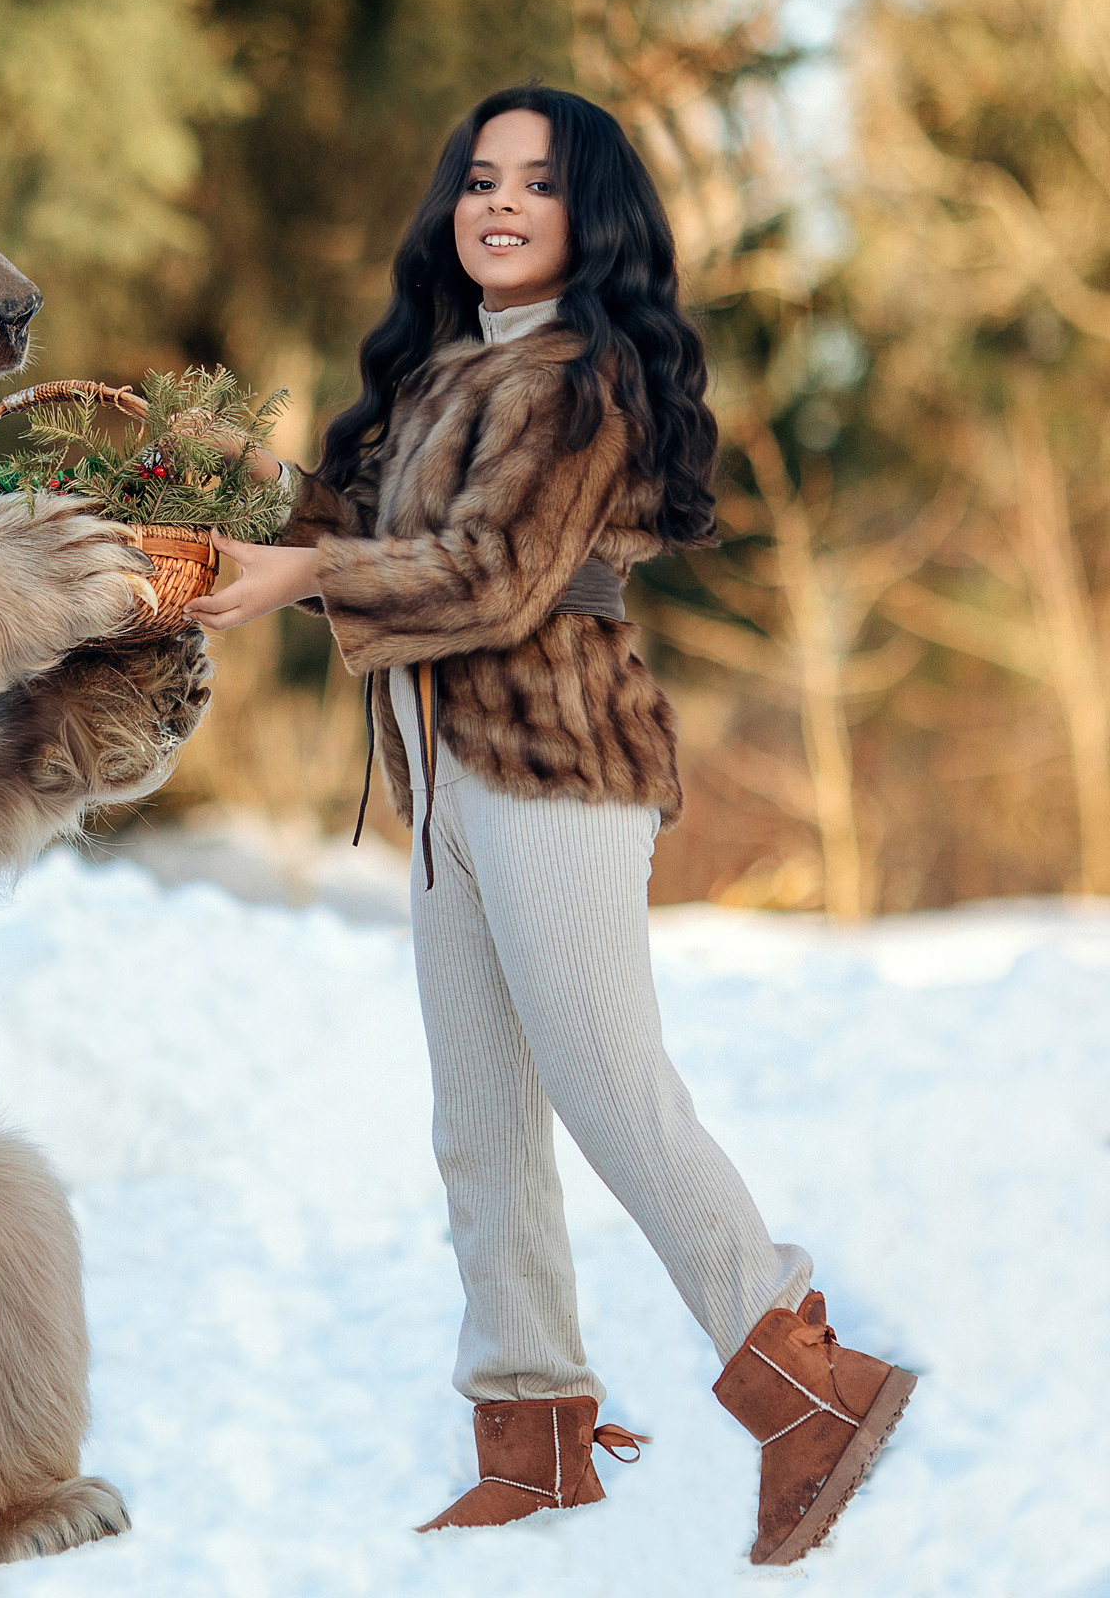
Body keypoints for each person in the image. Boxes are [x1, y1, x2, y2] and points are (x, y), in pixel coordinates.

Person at [183, 85, 915, 1566]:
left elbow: (492, 577)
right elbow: (362, 540)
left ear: (593, 218)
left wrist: (306, 574)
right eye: (480, 178)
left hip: (556, 762)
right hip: (445, 774)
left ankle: (811, 1383)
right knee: (480, 1116)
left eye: (537, 181)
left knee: (606, 1085)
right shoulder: (441, 372)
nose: (500, 202)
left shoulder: (580, 376)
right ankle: (533, 1432)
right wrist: (255, 497)